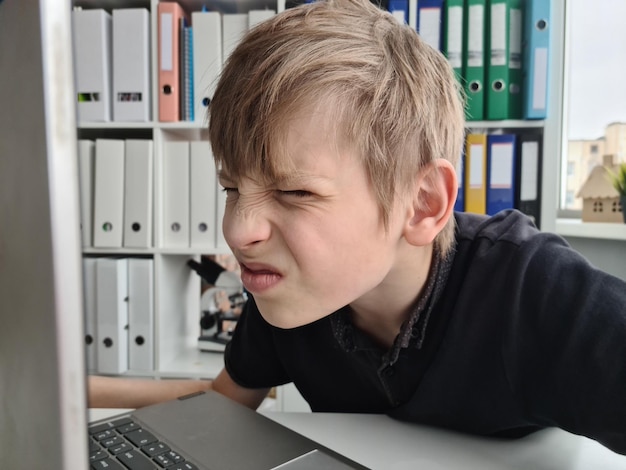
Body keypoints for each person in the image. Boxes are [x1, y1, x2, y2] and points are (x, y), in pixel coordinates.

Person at [89, 0, 626, 455]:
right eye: (232, 190)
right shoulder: (289, 293)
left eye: (295, 191)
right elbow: (223, 398)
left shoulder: (533, 292)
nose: (239, 229)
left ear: (422, 204)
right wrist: (72, 390)